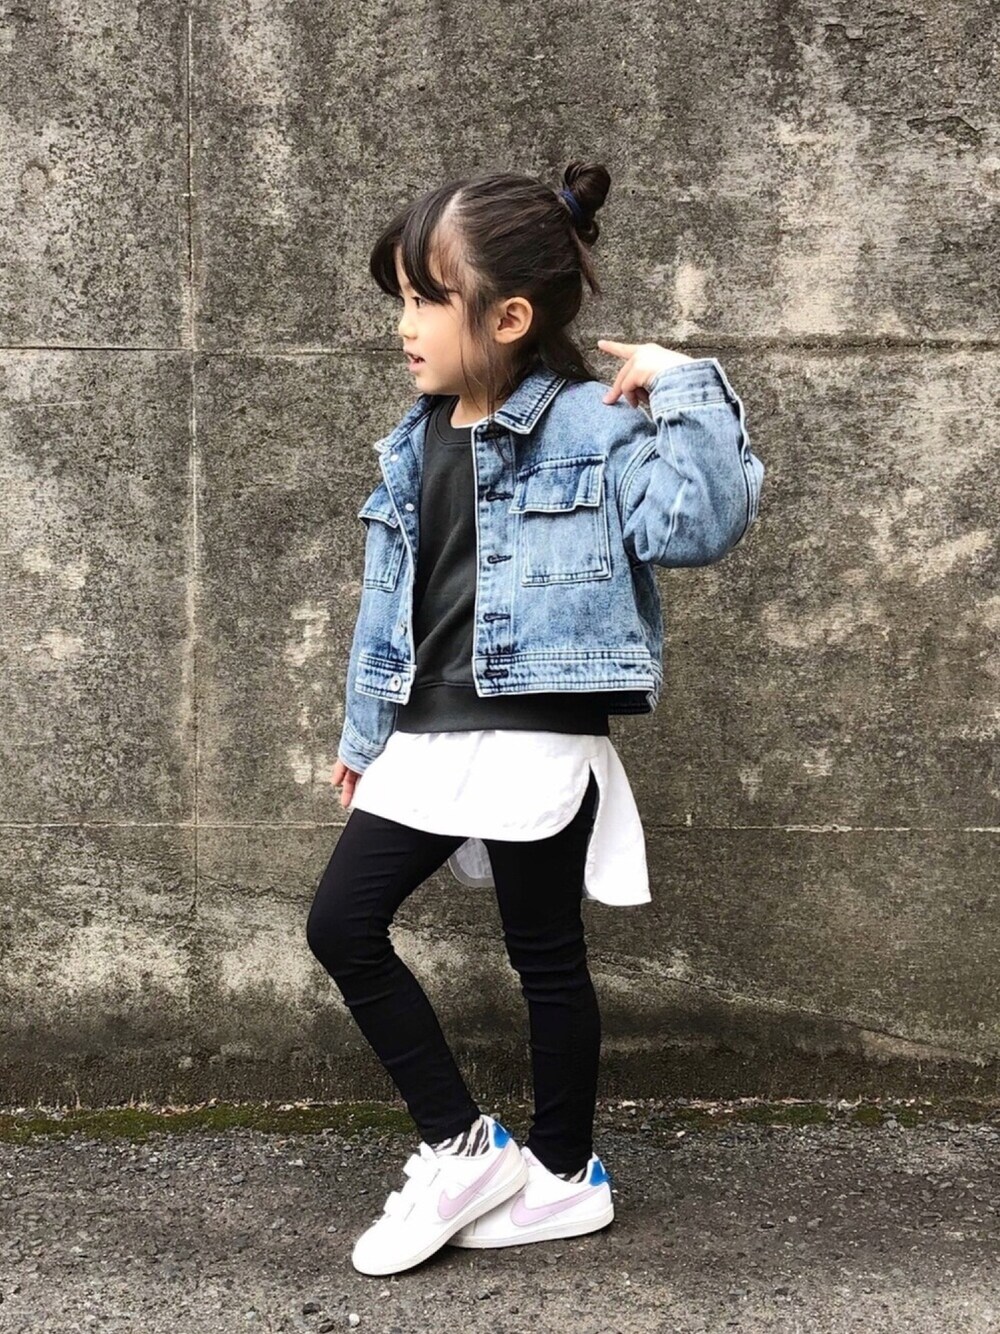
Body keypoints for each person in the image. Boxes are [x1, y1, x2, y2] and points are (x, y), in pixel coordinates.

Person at [305, 160, 765, 1277]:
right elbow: (390, 600)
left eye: (426, 299)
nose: (405, 326)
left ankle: (565, 1177)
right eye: (401, 299)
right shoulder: (412, 439)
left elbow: (700, 524)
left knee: (545, 957)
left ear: (507, 316)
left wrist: (687, 386)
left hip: (537, 732)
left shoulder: (590, 427)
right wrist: (364, 737)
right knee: (342, 924)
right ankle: (463, 1145)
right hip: (427, 732)